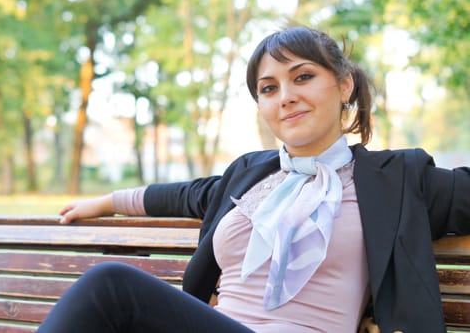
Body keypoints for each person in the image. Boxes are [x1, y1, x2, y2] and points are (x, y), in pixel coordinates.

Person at [37, 25, 470, 333]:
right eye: (268, 88)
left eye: (303, 77)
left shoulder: (395, 179)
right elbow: (186, 195)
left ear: (343, 87)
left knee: (109, 288)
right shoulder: (250, 174)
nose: (287, 97)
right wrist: (107, 201)